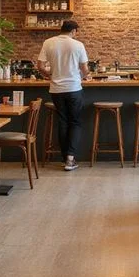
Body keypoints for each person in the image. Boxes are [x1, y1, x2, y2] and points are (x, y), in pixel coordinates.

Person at [37, 20, 89, 172]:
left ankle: (64, 157)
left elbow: (40, 66)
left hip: (56, 90)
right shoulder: (78, 45)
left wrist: (49, 75)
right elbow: (84, 69)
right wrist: (85, 76)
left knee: (63, 122)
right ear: (73, 31)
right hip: (73, 88)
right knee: (75, 122)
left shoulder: (48, 42)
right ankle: (70, 159)